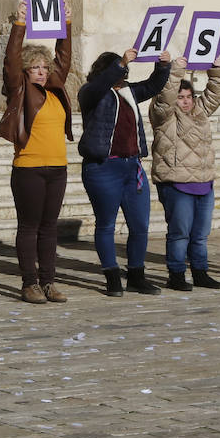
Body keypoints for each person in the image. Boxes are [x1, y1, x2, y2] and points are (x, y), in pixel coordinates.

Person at [0, 1, 74, 304]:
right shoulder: (19, 90)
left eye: (44, 67)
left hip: (58, 167)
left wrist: (66, 25)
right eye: (35, 68)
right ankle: (29, 283)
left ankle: (49, 282)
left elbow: (64, 59)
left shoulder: (55, 89)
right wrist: (19, 24)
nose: (41, 72)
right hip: (28, 168)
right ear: (26, 71)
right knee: (29, 226)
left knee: (49, 227)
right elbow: (11, 61)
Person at [77, 48, 171, 297]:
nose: (124, 73)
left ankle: (137, 275)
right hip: (103, 168)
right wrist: (120, 62)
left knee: (140, 225)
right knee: (106, 224)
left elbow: (153, 86)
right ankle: (111, 276)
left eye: (126, 69)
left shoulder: (128, 91)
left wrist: (163, 66)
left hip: (132, 167)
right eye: (120, 69)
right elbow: (101, 85)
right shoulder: (91, 92)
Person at [149, 56, 220, 291]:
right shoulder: (163, 115)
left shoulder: (199, 112)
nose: (185, 101)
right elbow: (165, 97)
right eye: (180, 97)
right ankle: (176, 274)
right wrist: (176, 70)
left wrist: (217, 68)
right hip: (177, 184)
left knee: (200, 235)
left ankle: (201, 272)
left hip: (204, 183)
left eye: (189, 97)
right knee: (179, 233)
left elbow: (214, 94)